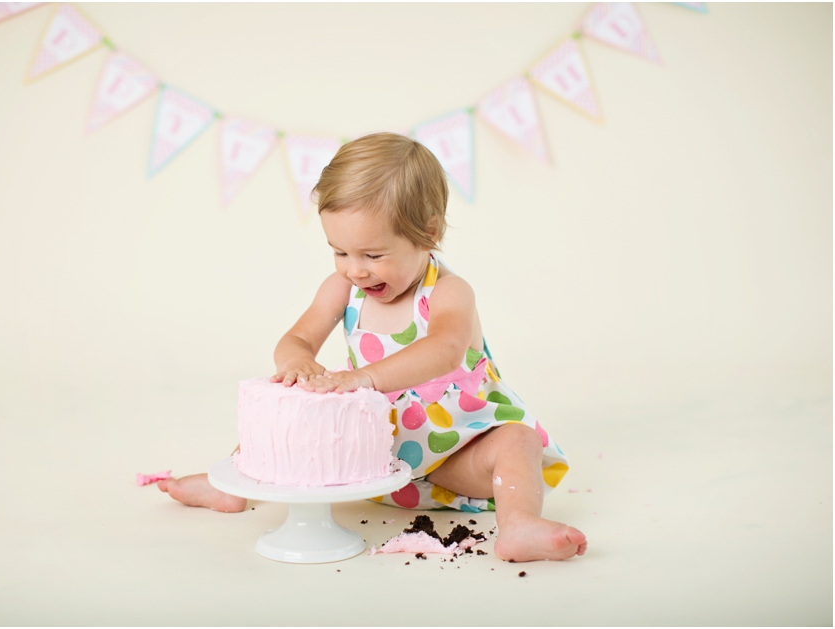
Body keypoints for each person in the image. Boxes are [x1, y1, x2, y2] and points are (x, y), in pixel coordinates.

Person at [159, 132, 587, 562]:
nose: (356, 270)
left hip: (456, 457)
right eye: (340, 251)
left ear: (428, 233)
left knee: (518, 441)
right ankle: (229, 489)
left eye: (373, 255)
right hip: (374, 456)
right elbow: (296, 339)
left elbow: (445, 349)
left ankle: (518, 525)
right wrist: (299, 363)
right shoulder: (343, 289)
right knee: (292, 412)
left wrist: (364, 376)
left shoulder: (448, 293)